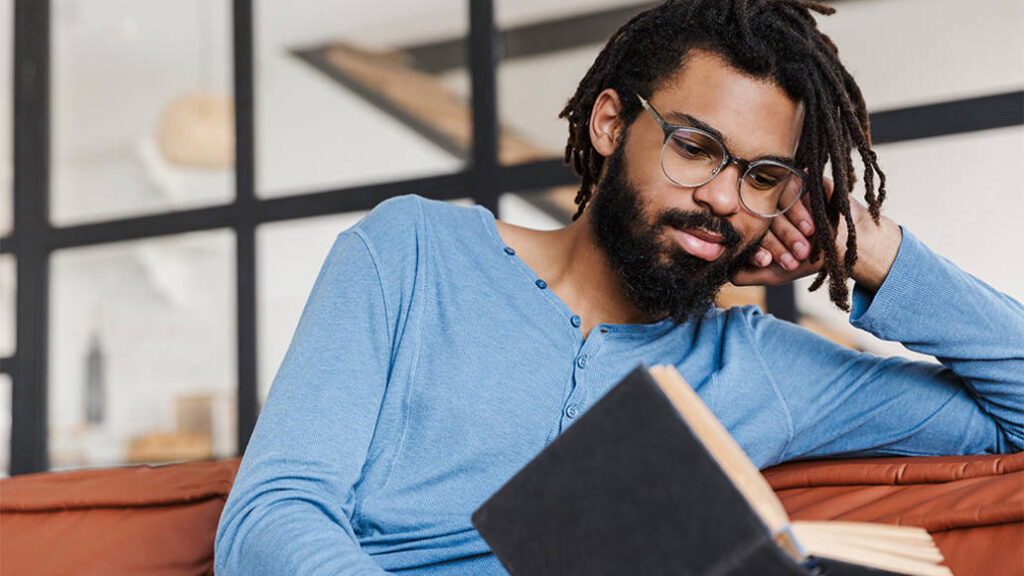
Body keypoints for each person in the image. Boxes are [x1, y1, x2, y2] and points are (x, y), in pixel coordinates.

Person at [215, 1, 1024, 574]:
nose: (722, 198)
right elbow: (269, 518)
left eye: (763, 175)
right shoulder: (414, 253)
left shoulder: (760, 368)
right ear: (610, 124)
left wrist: (873, 252)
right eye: (697, 147)